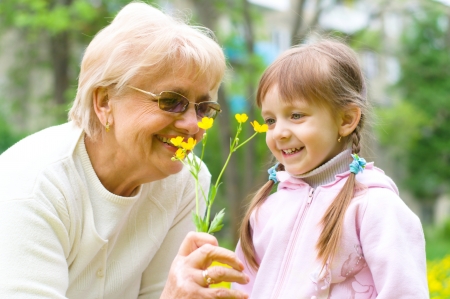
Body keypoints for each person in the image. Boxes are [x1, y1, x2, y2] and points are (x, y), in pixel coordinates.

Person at [0, 2, 249, 299]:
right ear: (104, 102)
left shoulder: (187, 182)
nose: (192, 124)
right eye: (171, 101)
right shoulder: (33, 185)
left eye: (204, 107)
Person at [232, 39, 429, 298]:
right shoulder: (266, 211)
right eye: (270, 120)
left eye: (296, 115)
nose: (278, 132)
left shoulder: (375, 206)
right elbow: (240, 290)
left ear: (346, 120)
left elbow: (404, 292)